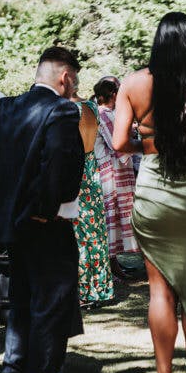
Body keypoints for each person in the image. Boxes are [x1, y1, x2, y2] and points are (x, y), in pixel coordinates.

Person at [0, 47, 85, 373]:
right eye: (74, 81)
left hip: (12, 225)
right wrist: (44, 208)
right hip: (47, 223)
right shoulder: (63, 110)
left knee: (21, 302)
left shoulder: (2, 108)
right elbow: (60, 163)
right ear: (64, 77)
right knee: (51, 306)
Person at [114, 12, 186, 373]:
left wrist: (147, 143)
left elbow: (118, 143)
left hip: (153, 193)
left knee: (160, 290)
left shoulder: (132, 83)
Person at [70, 92, 114, 306]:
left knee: (79, 233)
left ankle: (84, 292)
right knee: (95, 231)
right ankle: (101, 290)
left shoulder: (67, 111)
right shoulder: (92, 107)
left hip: (76, 169)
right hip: (92, 168)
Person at [92, 78, 139, 270]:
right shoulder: (103, 114)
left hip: (119, 168)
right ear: (113, 94)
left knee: (119, 216)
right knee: (112, 216)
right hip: (111, 171)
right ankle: (112, 265)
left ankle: (116, 264)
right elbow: (116, 143)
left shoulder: (110, 113)